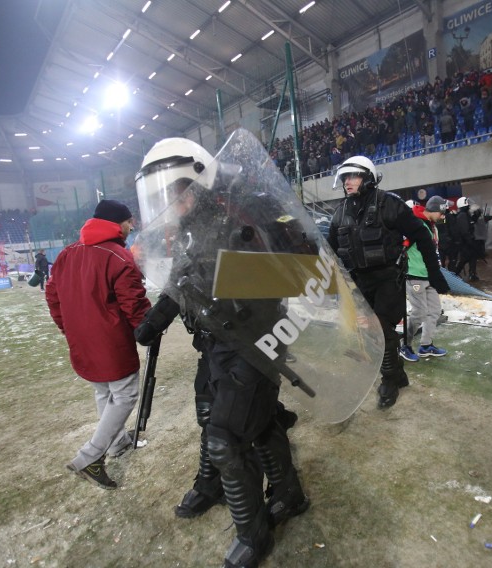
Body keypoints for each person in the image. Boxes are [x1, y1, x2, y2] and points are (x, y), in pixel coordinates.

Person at [132, 137, 309, 567]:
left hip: (255, 341)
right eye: (164, 194)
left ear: (200, 180)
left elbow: (302, 268)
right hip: (215, 342)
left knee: (225, 437)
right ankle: (285, 493)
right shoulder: (192, 232)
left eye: (177, 190)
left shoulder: (248, 213)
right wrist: (154, 322)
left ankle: (254, 534)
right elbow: (180, 285)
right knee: (234, 419)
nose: (170, 202)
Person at [46, 200, 151, 490]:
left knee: (103, 391)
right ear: (118, 224)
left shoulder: (67, 253)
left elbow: (52, 295)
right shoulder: (118, 256)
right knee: (125, 394)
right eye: (129, 222)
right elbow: (134, 305)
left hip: (81, 341)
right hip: (110, 341)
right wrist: (148, 327)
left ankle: (116, 442)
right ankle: (90, 457)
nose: (132, 227)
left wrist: (67, 327)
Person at [328, 155, 449, 409]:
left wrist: (434, 273)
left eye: (354, 176)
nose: (348, 182)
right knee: (369, 333)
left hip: (387, 279)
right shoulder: (340, 212)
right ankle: (399, 373)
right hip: (359, 282)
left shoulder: (389, 204)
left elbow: (421, 236)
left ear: (368, 177)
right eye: (345, 177)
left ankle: (389, 381)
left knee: (382, 328)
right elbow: (330, 249)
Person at [400, 196, 449, 363]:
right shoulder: (416, 225)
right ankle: (404, 344)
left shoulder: (431, 226)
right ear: (435, 210)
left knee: (434, 311)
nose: (443, 216)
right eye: (442, 213)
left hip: (430, 276)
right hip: (415, 277)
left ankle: (426, 345)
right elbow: (402, 245)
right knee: (419, 312)